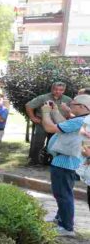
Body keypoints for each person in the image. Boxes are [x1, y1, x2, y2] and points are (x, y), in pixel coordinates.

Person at [39, 94, 90, 236]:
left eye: (73, 104)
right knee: (65, 193)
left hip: (65, 163)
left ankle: (66, 227)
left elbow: (50, 128)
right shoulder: (82, 120)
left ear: (82, 107)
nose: (69, 106)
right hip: (72, 161)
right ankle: (60, 219)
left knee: (63, 195)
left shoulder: (79, 121)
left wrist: (45, 112)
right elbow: (65, 127)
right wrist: (55, 111)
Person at [26, 82, 72, 165]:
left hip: (57, 125)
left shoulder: (68, 100)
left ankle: (49, 161)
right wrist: (33, 117)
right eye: (56, 89)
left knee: (53, 143)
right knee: (38, 142)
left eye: (61, 90)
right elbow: (29, 106)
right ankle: (34, 161)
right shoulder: (43, 97)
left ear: (64, 90)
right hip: (42, 124)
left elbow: (72, 112)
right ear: (52, 89)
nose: (58, 91)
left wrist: (67, 119)